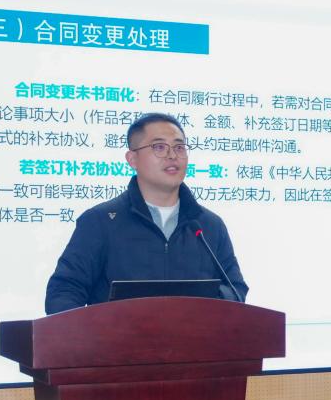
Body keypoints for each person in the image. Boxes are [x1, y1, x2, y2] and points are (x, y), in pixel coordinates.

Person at [44, 112, 248, 313]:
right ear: (132, 159)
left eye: (179, 147)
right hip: (116, 336)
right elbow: (63, 292)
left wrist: (201, 305)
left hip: (194, 335)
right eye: (159, 147)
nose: (172, 155)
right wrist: (93, 331)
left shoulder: (209, 225)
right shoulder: (100, 222)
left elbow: (235, 289)